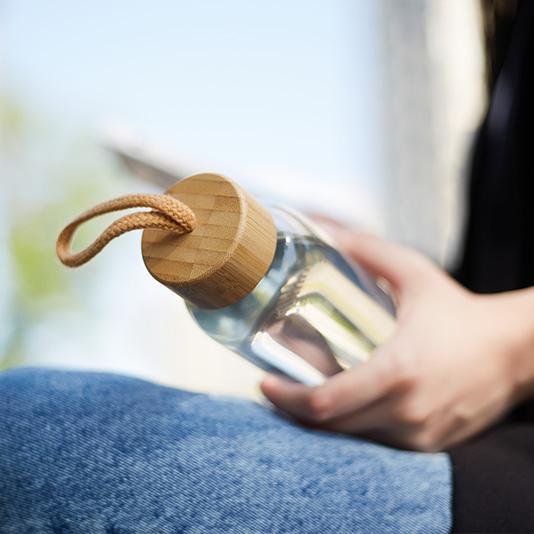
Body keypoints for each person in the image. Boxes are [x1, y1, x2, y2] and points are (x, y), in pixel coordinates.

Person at [1, 1, 533, 532]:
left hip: (512, 465)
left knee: (33, 430)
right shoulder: (505, 35)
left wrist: (509, 349)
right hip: (465, 440)